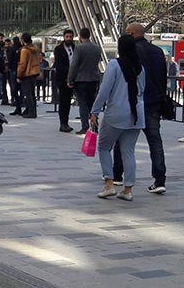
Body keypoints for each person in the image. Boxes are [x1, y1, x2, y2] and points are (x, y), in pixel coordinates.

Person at [115, 23, 169, 194]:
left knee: (122, 137)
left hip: (135, 101)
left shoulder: (131, 52)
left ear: (131, 34)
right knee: (155, 141)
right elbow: (163, 76)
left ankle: (117, 174)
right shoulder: (158, 51)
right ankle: (159, 179)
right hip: (154, 102)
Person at [91, 35, 145, 201]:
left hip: (116, 112)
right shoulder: (140, 68)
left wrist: (95, 111)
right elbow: (142, 90)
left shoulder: (114, 65)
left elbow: (104, 90)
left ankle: (109, 184)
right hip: (136, 113)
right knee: (128, 151)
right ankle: (128, 189)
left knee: (104, 147)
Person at [67, 27, 103, 134]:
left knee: (83, 104)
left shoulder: (79, 48)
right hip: (93, 78)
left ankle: (84, 126)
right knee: (92, 103)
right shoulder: (96, 48)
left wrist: (70, 79)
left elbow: (74, 65)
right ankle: (95, 125)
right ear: (89, 35)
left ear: (80, 36)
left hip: (81, 79)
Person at [52, 29, 76, 132]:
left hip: (73, 78)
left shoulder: (75, 48)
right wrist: (67, 75)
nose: (69, 39)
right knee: (63, 101)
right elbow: (59, 64)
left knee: (68, 101)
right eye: (67, 37)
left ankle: (66, 122)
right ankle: (63, 123)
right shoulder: (58, 49)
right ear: (64, 37)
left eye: (70, 37)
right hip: (62, 78)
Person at [16, 33, 41, 118]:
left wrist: (19, 75)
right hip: (34, 72)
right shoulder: (35, 48)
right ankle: (32, 111)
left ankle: (31, 112)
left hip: (26, 73)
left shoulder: (24, 50)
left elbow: (23, 64)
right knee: (32, 93)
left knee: (28, 93)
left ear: (22, 40)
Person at [7, 36, 22, 114]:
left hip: (13, 69)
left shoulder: (12, 49)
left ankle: (17, 105)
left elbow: (10, 59)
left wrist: (9, 67)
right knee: (20, 89)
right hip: (21, 70)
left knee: (14, 89)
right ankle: (20, 104)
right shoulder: (22, 48)